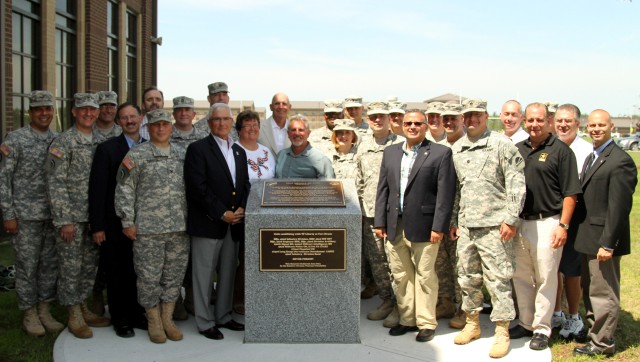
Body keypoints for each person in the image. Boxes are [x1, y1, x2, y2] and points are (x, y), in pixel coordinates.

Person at [450, 99, 526, 358]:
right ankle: (472, 324)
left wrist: (511, 219)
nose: (471, 120)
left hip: (495, 226)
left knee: (497, 280)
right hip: (467, 226)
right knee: (467, 277)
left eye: (476, 115)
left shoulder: (501, 145)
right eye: (467, 116)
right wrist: (454, 221)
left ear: (485, 116)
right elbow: (458, 189)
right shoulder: (458, 148)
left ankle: (501, 331)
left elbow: (516, 183)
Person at [374, 109, 456, 343]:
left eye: (417, 123)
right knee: (400, 275)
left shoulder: (441, 154)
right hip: (394, 225)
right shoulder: (390, 153)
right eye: (408, 123)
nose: (412, 127)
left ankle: (426, 322)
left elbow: (445, 195)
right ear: (400, 125)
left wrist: (439, 226)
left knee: (425, 276)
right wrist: (380, 221)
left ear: (426, 126)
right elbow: (383, 190)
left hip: (426, 226)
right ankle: (407, 319)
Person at [115, 109, 190, 344]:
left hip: (179, 227)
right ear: (148, 128)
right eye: (156, 125)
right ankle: (153, 320)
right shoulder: (135, 155)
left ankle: (168, 318)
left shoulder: (182, 154)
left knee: (173, 276)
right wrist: (127, 221)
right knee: (148, 278)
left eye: (165, 125)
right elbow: (124, 189)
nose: (160, 129)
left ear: (171, 127)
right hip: (148, 229)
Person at [510, 102, 581, 351]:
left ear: (548, 121)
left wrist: (563, 225)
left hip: (548, 221)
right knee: (521, 277)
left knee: (546, 277)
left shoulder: (561, 151)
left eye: (539, 120)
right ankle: (526, 322)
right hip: (520, 222)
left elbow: (571, 193)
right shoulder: (518, 149)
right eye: (530, 120)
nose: (535, 124)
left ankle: (542, 328)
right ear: (524, 121)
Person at [572, 109, 637, 357]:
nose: (595, 129)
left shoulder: (619, 160)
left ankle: (603, 343)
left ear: (611, 126)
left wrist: (608, 244)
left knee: (603, 293)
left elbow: (619, 208)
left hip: (603, 241)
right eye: (592, 125)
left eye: (601, 125)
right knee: (590, 289)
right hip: (588, 237)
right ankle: (594, 334)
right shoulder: (594, 156)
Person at [184, 103, 250, 341]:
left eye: (226, 119)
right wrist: (222, 213)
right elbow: (197, 189)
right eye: (217, 119)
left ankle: (223, 315)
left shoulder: (239, 151)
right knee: (203, 276)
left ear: (232, 122)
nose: (222, 123)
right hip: (209, 223)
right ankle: (204, 321)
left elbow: (244, 184)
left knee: (228, 274)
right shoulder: (198, 149)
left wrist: (242, 206)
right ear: (209, 123)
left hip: (233, 225)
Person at [47, 93, 111, 339]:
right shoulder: (62, 142)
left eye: (92, 110)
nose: (88, 113)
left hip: (94, 219)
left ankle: (83, 305)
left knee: (88, 266)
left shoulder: (100, 140)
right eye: (83, 109)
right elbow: (55, 182)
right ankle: (73, 313)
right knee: (70, 267)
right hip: (72, 218)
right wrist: (64, 220)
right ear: (74, 111)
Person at [0, 90, 63, 337]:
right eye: (39, 109)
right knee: (27, 266)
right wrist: (8, 214)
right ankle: (29, 313)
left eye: (48, 108)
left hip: (53, 214)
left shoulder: (58, 140)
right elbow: (3, 179)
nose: (44, 113)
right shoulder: (14, 140)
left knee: (49, 265)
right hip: (25, 216)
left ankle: (44, 309)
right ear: (30, 112)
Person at [88, 102, 146, 338]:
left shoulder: (150, 147)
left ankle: (136, 312)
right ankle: (120, 318)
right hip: (115, 223)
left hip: (145, 222)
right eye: (124, 117)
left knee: (138, 271)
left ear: (141, 118)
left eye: (133, 116)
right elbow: (98, 189)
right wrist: (98, 225)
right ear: (118, 122)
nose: (130, 121)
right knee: (117, 271)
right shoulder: (108, 149)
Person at [356, 101, 401, 326]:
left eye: (381, 116)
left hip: (394, 214)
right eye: (373, 117)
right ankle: (386, 300)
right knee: (378, 263)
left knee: (397, 262)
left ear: (389, 118)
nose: (377, 120)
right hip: (370, 213)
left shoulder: (401, 143)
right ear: (367, 119)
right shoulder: (363, 145)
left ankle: (400, 306)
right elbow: (360, 179)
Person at [551, 104, 592, 339]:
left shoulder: (586, 151)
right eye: (559, 121)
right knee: (553, 268)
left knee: (572, 270)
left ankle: (574, 316)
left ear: (577, 123)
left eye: (568, 121)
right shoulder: (551, 146)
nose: (563, 125)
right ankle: (556, 312)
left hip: (575, 220)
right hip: (551, 218)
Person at [433, 102, 465, 324]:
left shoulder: (468, 146)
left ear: (462, 120)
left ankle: (464, 308)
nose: (449, 122)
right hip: (439, 216)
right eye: (446, 119)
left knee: (461, 265)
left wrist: (456, 218)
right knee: (440, 262)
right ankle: (445, 302)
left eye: (454, 118)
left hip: (461, 217)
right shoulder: (438, 147)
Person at [275, 114, 335, 179]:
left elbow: (329, 187)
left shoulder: (321, 160)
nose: (297, 133)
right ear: (288, 134)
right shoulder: (281, 155)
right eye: (293, 130)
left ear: (308, 133)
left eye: (301, 130)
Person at [258, 92, 292, 156]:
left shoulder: (295, 130)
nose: (280, 107)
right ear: (271, 107)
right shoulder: (259, 128)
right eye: (277, 103)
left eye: (284, 104)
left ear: (289, 107)